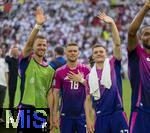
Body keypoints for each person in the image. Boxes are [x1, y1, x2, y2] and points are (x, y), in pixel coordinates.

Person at [84, 12, 129, 133]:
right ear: (93, 57)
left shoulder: (113, 64)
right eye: (96, 52)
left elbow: (117, 44)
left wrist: (112, 24)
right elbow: (88, 100)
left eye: (101, 52)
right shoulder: (89, 77)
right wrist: (88, 119)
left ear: (106, 54)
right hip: (101, 116)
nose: (99, 53)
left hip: (117, 113)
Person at [14, 7, 54, 132]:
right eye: (39, 44)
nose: (42, 47)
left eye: (44, 45)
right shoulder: (26, 61)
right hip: (26, 108)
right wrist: (38, 26)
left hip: (41, 112)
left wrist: (51, 115)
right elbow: (28, 45)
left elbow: (49, 93)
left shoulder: (50, 70)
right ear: (33, 47)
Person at [53, 43, 90, 133]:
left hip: (83, 115)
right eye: (70, 51)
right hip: (65, 115)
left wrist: (81, 80)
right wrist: (55, 114)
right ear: (66, 52)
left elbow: (94, 90)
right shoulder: (59, 72)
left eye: (75, 51)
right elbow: (56, 93)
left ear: (78, 53)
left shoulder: (86, 70)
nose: (72, 53)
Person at [128, 1, 150, 133]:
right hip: (140, 110)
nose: (149, 36)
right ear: (140, 38)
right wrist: (146, 7)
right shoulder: (136, 54)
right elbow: (131, 32)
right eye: (146, 33)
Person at [0, 47, 9, 124]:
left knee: (1, 102)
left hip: (3, 85)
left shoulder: (4, 61)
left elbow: (6, 73)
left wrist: (7, 84)